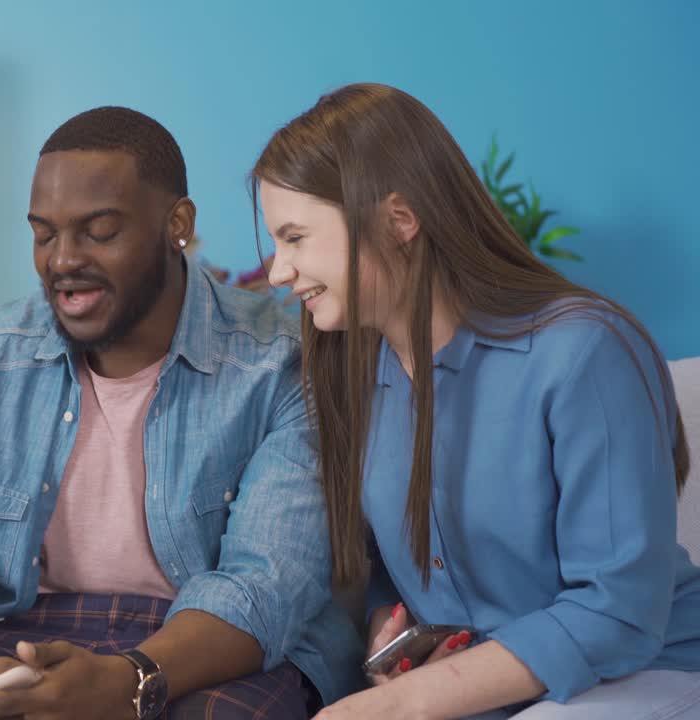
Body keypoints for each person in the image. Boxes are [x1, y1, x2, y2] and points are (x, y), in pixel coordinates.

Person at [0, 106, 361, 720]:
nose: (62, 260)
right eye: (44, 233)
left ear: (177, 224)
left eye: (99, 231)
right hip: (21, 628)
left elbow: (265, 583)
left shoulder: (283, 362)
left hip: (206, 645)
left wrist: (126, 680)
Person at [253, 82, 700, 719]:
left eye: (295, 238)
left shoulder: (583, 351)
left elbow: (618, 612)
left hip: (643, 671)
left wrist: (411, 701)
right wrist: (395, 630)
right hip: (484, 693)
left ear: (398, 219)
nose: (276, 271)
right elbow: (389, 570)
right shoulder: (356, 373)